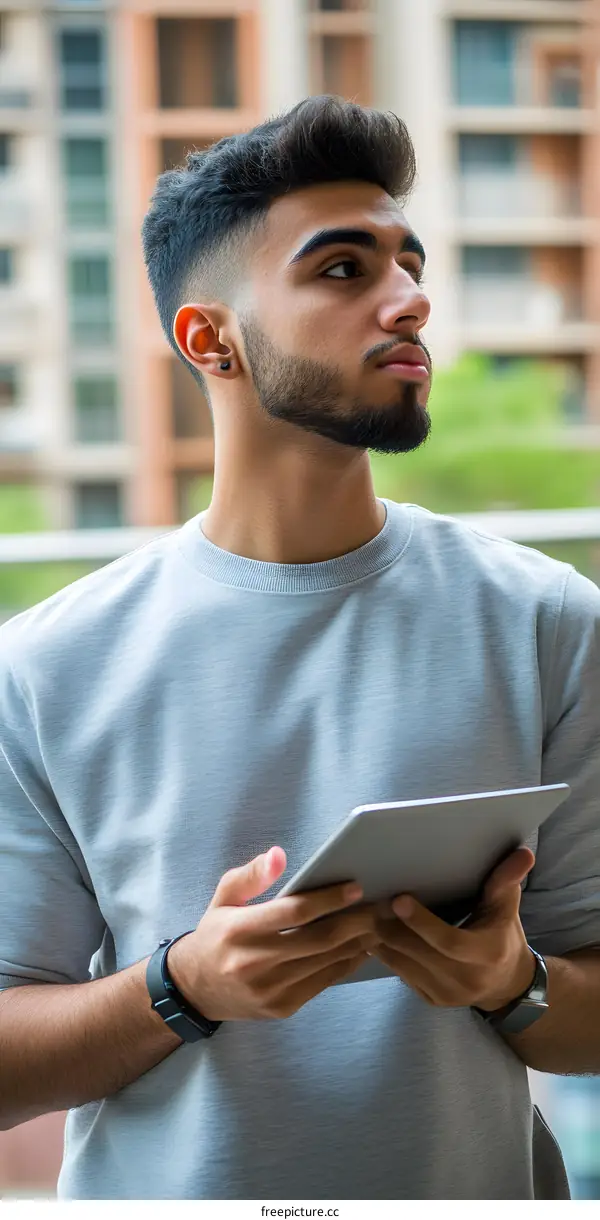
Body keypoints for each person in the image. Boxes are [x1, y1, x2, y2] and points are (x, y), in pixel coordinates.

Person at [0, 95, 599, 1202]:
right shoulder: (43, 665)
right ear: (208, 336)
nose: (411, 300)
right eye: (342, 270)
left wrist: (512, 977)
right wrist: (181, 986)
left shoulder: (548, 618)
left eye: (409, 262)